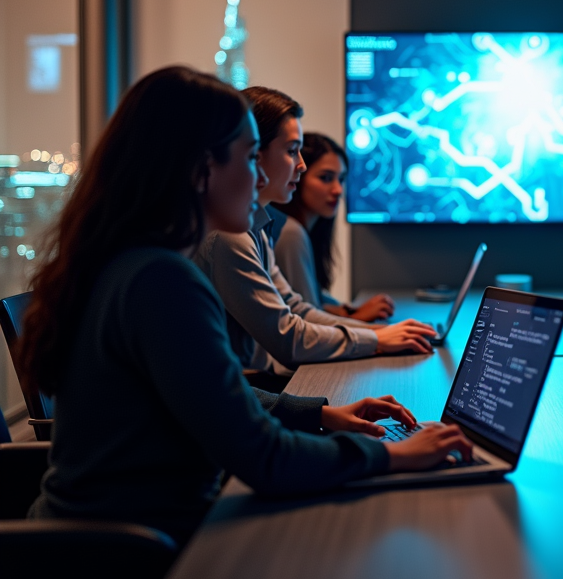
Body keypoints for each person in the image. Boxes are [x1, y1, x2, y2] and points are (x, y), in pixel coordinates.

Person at [17, 67, 473, 544]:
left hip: (97, 542)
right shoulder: (162, 281)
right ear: (202, 169)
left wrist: (317, 414)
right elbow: (263, 457)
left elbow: (210, 390)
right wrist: (394, 456)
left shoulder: (128, 262)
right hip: (124, 558)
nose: (260, 177)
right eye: (251, 157)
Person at [195, 87, 436, 375]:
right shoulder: (229, 235)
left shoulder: (254, 225)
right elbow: (288, 337)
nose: (301, 165)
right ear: (254, 154)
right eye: (291, 151)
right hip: (253, 391)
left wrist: (381, 334)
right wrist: (375, 338)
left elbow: (296, 307)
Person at [272, 132, 394, 322]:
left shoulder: (300, 230)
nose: (338, 190)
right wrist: (365, 325)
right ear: (298, 176)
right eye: (326, 178)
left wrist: (348, 312)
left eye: (342, 179)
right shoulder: (290, 233)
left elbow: (312, 303)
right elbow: (305, 321)